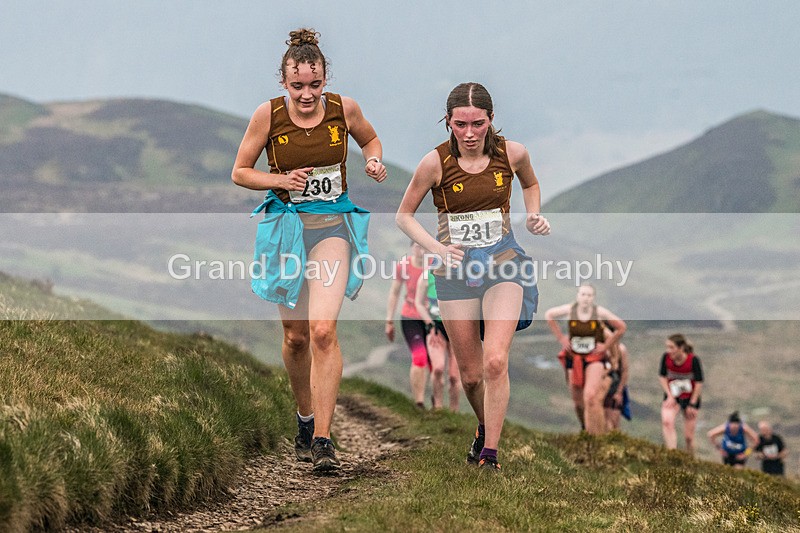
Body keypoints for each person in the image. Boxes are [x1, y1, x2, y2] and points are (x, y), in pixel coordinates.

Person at [232, 28, 387, 473]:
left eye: (314, 84)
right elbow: (240, 171)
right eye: (297, 85)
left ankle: (322, 438)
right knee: (296, 337)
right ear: (284, 82)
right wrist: (280, 180)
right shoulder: (268, 115)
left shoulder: (343, 109)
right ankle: (304, 417)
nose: (306, 94)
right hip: (286, 233)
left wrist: (372, 159)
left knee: (322, 331)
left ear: (325, 80)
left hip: (331, 230)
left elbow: (370, 139)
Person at [396, 82, 550, 472]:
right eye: (460, 124)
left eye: (477, 124)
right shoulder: (434, 163)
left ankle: (490, 456)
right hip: (454, 273)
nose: (469, 133)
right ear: (448, 121)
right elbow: (403, 216)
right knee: (469, 375)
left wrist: (533, 213)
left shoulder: (513, 153)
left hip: (504, 265)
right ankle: (484, 426)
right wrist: (437, 248)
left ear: (491, 119)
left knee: (495, 361)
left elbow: (530, 183)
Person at [545, 284, 627, 435]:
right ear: (578, 296)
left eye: (589, 295)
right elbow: (549, 315)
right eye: (583, 294)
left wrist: (605, 346)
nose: (586, 298)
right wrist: (561, 338)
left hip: (594, 358)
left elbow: (621, 327)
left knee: (590, 397)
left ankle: (593, 436)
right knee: (578, 402)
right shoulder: (570, 309)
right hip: (574, 358)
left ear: (593, 298)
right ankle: (585, 428)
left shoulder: (599, 312)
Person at [385, 241, 431, 409]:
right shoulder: (403, 266)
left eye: (424, 246)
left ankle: (437, 405)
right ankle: (419, 402)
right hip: (410, 317)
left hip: (432, 318)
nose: (421, 250)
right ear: (412, 247)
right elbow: (394, 292)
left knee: (434, 363)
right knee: (419, 357)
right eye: (417, 246)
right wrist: (389, 321)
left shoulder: (434, 265)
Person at [414, 265, 461, 411]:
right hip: (436, 328)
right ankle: (438, 408)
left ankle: (454, 411)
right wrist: (429, 324)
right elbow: (418, 303)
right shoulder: (426, 276)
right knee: (438, 368)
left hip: (457, 328)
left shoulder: (460, 274)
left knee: (454, 376)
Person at [658, 333, 703, 455]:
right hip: (673, 396)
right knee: (667, 422)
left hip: (690, 398)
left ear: (681, 348)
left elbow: (699, 382)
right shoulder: (666, 358)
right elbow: (662, 376)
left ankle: (690, 460)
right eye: (667, 347)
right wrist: (669, 395)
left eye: (671, 347)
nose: (669, 351)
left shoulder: (693, 360)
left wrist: (692, 404)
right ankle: (672, 455)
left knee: (689, 437)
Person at [602, 322, 630, 432]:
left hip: (615, 387)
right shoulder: (600, 348)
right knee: (603, 420)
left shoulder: (620, 349)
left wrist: (619, 392)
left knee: (613, 421)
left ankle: (614, 440)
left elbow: (624, 371)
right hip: (602, 386)